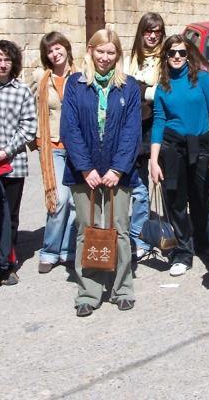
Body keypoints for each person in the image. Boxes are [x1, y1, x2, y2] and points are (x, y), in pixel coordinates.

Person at [60, 29, 142, 317]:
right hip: (84, 173)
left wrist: (118, 168)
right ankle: (89, 292)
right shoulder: (76, 84)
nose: (105, 57)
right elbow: (69, 128)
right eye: (100, 51)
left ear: (118, 55)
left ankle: (122, 288)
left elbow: (132, 131)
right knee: (88, 230)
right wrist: (85, 168)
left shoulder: (129, 87)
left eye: (111, 52)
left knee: (119, 230)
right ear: (90, 51)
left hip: (119, 172)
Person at [148, 36, 209, 277]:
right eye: (172, 53)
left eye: (182, 53)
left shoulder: (202, 79)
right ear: (165, 56)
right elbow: (159, 121)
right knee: (175, 202)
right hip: (172, 148)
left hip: (202, 146)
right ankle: (183, 252)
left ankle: (205, 244)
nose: (177, 56)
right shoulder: (162, 86)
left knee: (202, 199)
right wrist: (154, 161)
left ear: (188, 56)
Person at [0, 40, 36, 287]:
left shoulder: (22, 91)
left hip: (12, 163)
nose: (2, 65)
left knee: (9, 216)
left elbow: (29, 127)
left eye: (7, 60)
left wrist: (5, 152)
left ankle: (7, 264)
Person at [31, 31, 77, 273]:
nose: (55, 53)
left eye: (58, 48)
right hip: (52, 145)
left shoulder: (80, 75)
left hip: (78, 146)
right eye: (50, 50)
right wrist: (36, 136)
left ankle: (68, 249)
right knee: (58, 199)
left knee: (75, 201)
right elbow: (30, 107)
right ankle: (49, 251)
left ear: (67, 48)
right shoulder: (40, 77)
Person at [125, 13, 166, 259]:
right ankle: (139, 238)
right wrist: (145, 91)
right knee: (139, 189)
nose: (152, 36)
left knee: (165, 185)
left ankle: (172, 235)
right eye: (148, 31)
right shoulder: (130, 60)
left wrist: (141, 90)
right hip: (136, 129)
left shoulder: (167, 57)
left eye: (157, 31)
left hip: (160, 126)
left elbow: (163, 92)